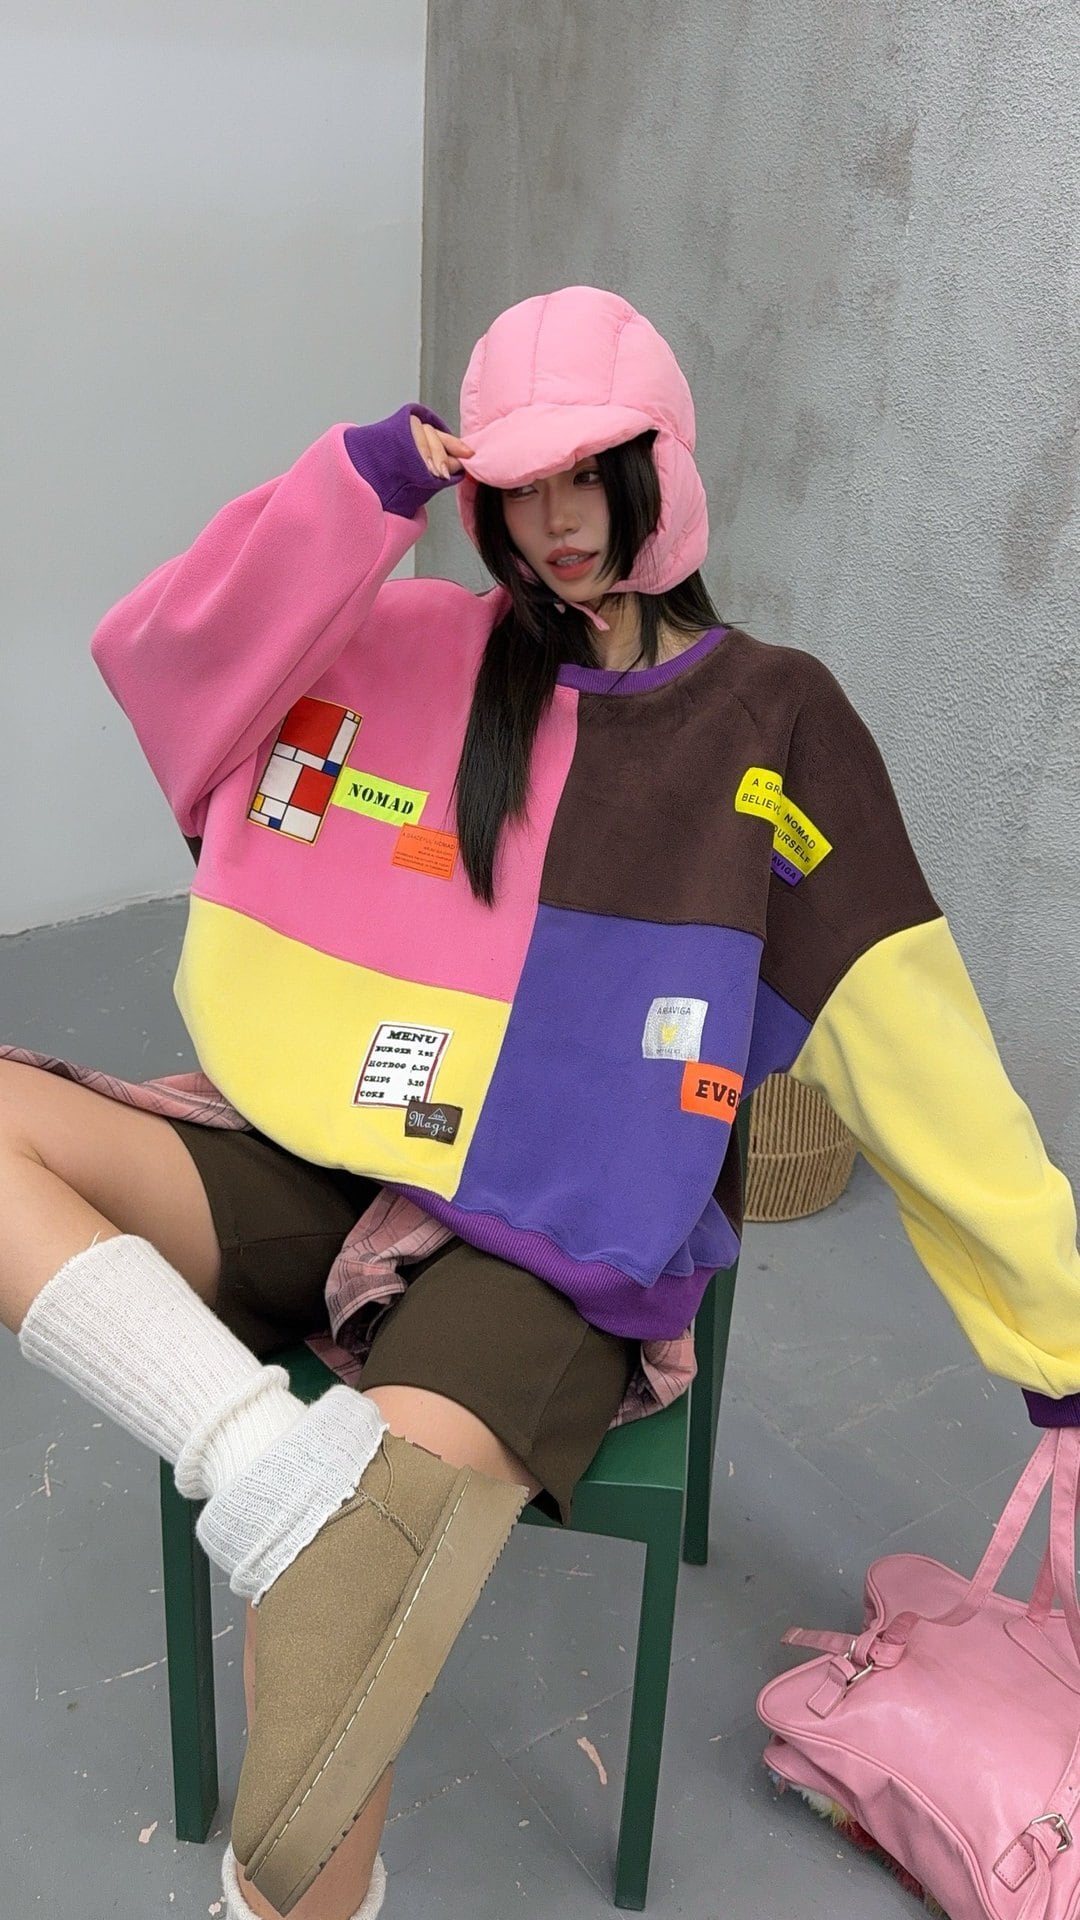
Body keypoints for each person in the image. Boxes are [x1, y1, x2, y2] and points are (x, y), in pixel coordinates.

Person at [3, 284, 1079, 1920]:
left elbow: (918, 1049)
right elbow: (164, 662)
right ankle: (257, 1453)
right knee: (295, 1499)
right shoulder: (414, 646)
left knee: (321, 1665)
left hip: (554, 1244)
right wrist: (367, 481)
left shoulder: (774, 717)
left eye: (593, 471)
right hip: (325, 1157)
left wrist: (1056, 1343)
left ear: (662, 469)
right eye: (520, 481)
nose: (559, 519)